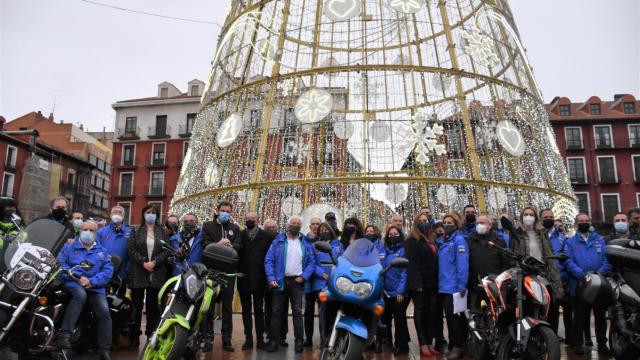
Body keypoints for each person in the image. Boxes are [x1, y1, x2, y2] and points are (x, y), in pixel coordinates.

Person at [56, 220, 114, 360]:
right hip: (73, 283)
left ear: (96, 233)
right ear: (80, 230)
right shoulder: (69, 247)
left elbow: (107, 270)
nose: (87, 232)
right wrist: (78, 277)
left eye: (91, 230)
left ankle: (104, 350)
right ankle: (64, 336)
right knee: (80, 296)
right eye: (85, 229)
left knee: (105, 312)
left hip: (95, 287)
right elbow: (60, 265)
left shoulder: (102, 251)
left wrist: (92, 282)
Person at [265, 215, 315, 353]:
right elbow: (269, 260)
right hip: (280, 282)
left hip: (297, 282)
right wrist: (271, 278)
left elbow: (311, 262)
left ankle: (299, 341)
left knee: (298, 313)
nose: (295, 225)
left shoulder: (305, 242)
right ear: (288, 224)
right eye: (293, 223)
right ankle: (274, 341)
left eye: (298, 223)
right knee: (276, 312)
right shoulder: (278, 241)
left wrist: (304, 277)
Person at [564, 213, 611, 355]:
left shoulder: (599, 240)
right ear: (576, 223)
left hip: (598, 284)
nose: (584, 223)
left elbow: (606, 259)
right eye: (581, 221)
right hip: (580, 284)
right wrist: (583, 275)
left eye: (586, 221)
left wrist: (598, 274)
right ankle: (578, 344)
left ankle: (602, 344)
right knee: (579, 316)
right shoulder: (570, 242)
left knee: (600, 317)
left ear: (590, 223)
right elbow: (568, 261)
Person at [201, 200, 241, 352]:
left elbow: (239, 245)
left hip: (228, 273)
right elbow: (204, 243)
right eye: (223, 210)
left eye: (228, 211)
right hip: (211, 272)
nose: (225, 213)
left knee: (227, 308)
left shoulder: (235, 228)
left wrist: (230, 245)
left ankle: (227, 340)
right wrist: (218, 244)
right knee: (209, 306)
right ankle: (207, 339)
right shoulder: (207, 226)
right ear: (217, 211)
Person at [127, 205, 169, 349]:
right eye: (148, 212)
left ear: (157, 216)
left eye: (154, 213)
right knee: (136, 307)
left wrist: (155, 262)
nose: (151, 215)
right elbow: (131, 250)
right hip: (138, 271)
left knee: (153, 307)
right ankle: (134, 337)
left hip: (157, 273)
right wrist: (144, 263)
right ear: (143, 214)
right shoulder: (136, 230)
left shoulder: (162, 232)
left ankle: (151, 335)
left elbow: (166, 250)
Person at [405, 213, 440, 356]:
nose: (424, 223)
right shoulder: (412, 240)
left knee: (431, 312)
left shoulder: (432, 238)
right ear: (415, 223)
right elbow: (412, 263)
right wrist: (417, 283)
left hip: (433, 282)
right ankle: (422, 343)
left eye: (425, 220)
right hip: (420, 282)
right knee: (420, 312)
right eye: (421, 221)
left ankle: (430, 342)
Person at [237, 212, 272, 350]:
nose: (250, 220)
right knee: (245, 310)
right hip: (243, 277)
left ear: (258, 220)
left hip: (260, 279)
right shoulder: (240, 235)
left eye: (253, 219)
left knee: (259, 309)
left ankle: (260, 339)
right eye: (247, 218)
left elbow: (270, 258)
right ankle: (248, 339)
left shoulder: (266, 236)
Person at [436, 214, 468, 360]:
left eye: (450, 222)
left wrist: (461, 285)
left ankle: (457, 346)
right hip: (443, 286)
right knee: (449, 318)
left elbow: (462, 264)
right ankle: (453, 344)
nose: (446, 224)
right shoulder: (443, 241)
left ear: (456, 224)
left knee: (454, 319)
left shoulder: (459, 240)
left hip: (454, 287)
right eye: (445, 222)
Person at [540, 208, 573, 344]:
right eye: (545, 217)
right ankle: (549, 339)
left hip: (561, 279)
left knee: (563, 311)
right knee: (547, 312)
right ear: (541, 219)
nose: (549, 219)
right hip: (544, 279)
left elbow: (566, 257)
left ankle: (570, 339)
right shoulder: (539, 236)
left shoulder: (561, 238)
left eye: (551, 216)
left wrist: (563, 275)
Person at [307, 223, 343, 346]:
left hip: (335, 282)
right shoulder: (314, 246)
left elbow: (342, 261)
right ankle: (324, 338)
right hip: (320, 282)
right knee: (323, 310)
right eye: (321, 230)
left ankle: (334, 337)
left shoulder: (338, 245)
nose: (323, 231)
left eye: (326, 229)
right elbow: (311, 262)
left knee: (335, 310)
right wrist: (321, 273)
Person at [379, 225, 409, 355]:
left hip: (398, 292)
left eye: (395, 234)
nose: (392, 236)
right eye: (390, 234)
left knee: (399, 318)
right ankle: (388, 341)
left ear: (400, 235)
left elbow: (405, 272)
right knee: (385, 318)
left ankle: (401, 345)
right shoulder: (383, 250)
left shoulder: (403, 250)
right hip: (385, 291)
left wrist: (401, 291)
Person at [96, 206, 131, 282]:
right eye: (115, 212)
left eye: (120, 212)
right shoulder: (101, 232)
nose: (117, 214)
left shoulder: (130, 232)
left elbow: (132, 252)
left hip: (123, 273)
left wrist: (127, 268)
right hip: (103, 271)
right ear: (110, 215)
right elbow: (97, 249)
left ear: (124, 216)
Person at [0, 197, 23, 272]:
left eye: (14, 206)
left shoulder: (20, 229)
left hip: (9, 272)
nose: (12, 209)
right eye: (9, 206)